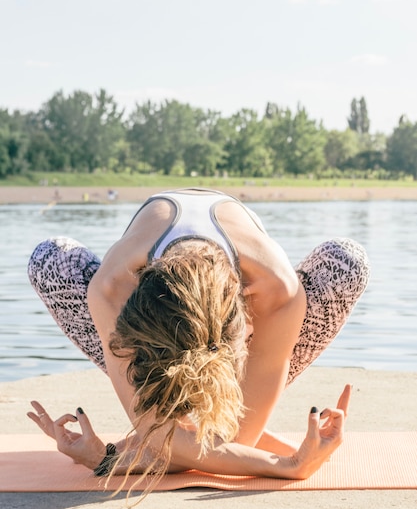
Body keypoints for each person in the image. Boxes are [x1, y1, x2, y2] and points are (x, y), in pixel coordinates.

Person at [27, 188, 370, 493]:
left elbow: (229, 441)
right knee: (50, 259)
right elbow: (170, 441)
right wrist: (286, 465)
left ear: (246, 327)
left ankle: (223, 379)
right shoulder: (112, 289)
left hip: (249, 321)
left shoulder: (276, 291)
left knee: (346, 261)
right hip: (149, 322)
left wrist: (113, 458)